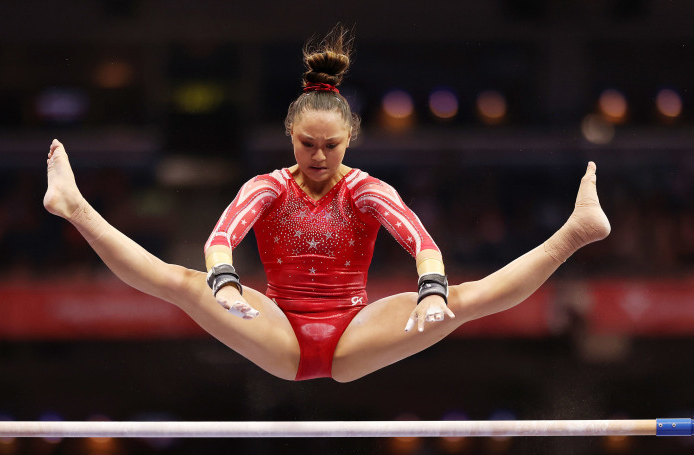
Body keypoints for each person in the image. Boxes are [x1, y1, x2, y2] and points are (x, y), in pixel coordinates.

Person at [44, 27, 610, 383]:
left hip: (355, 333)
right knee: (183, 282)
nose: (318, 156)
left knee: (464, 299)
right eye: (307, 144)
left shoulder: (365, 188)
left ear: (349, 141)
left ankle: (575, 232)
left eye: (330, 146)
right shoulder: (268, 186)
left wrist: (434, 292)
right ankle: (74, 207)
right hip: (279, 330)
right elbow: (221, 239)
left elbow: (423, 244)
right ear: (290, 136)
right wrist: (222, 283)